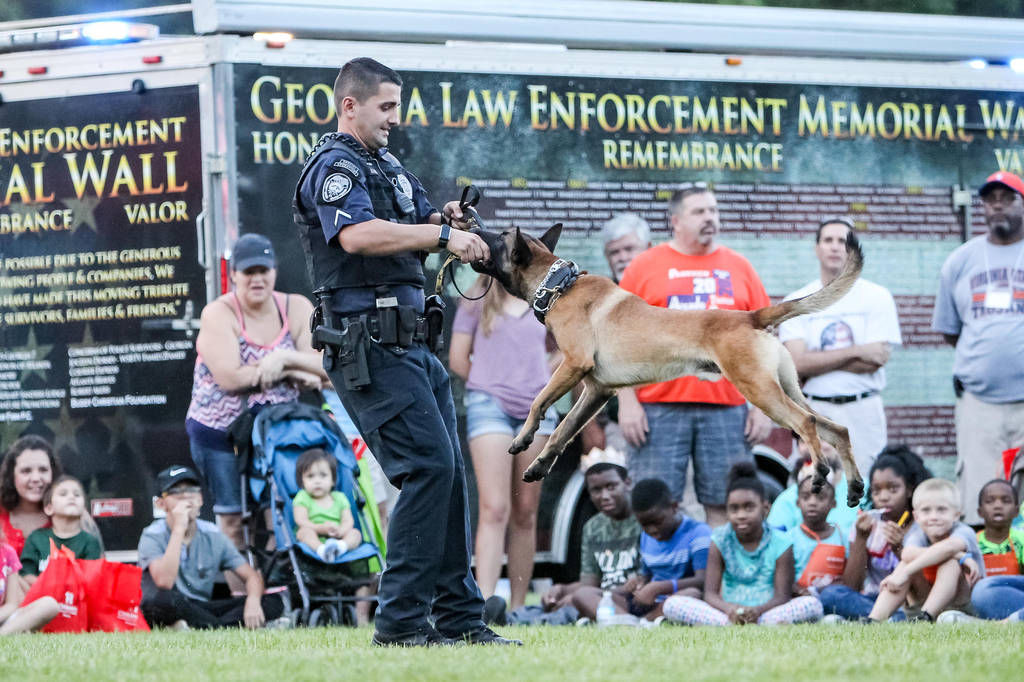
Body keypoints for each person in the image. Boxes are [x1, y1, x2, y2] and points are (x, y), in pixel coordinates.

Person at [293, 57, 509, 647]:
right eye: (386, 106)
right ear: (350, 106)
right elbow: (356, 236)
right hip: (370, 345)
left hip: (413, 344)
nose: (396, 117)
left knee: (449, 477)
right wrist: (442, 237)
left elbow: (420, 214)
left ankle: (463, 622)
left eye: (397, 105)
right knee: (426, 470)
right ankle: (401, 623)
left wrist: (449, 218)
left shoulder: (383, 163)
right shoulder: (333, 166)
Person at [617, 183, 773, 527]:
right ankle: (659, 581)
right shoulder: (644, 267)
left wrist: (762, 408)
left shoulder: (740, 267)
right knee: (654, 506)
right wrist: (626, 403)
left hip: (728, 407)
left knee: (727, 505)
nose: (710, 218)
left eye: (713, 210)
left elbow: (763, 343)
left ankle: (718, 582)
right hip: (656, 406)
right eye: (699, 212)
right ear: (675, 221)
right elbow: (615, 339)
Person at [187, 233, 326, 551]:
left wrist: (286, 361)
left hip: (276, 430)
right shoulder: (218, 313)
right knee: (234, 520)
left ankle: (280, 594)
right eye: (249, 272)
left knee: (281, 513)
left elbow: (325, 371)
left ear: (274, 271)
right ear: (233, 274)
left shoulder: (296, 307)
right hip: (220, 432)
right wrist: (293, 372)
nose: (257, 278)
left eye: (263, 270)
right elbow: (230, 379)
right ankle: (243, 597)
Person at [449, 275, 558, 609]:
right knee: (494, 507)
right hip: (489, 406)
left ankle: (519, 606)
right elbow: (457, 358)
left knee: (526, 511)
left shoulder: (546, 299)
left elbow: (570, 350)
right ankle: (483, 603)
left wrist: (541, 377)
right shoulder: (476, 298)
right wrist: (493, 383)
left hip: (537, 410)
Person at [932, 171, 1024, 525]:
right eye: (990, 199)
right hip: (980, 404)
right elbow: (952, 331)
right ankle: (985, 577)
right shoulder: (960, 261)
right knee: (982, 498)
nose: (998, 204)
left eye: (1008, 197)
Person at [779, 216, 902, 478]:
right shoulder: (796, 301)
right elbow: (797, 363)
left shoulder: (877, 297)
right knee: (817, 487)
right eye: (828, 240)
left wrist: (817, 361)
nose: (835, 247)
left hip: (863, 409)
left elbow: (876, 359)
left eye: (843, 241)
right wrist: (857, 351)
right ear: (817, 249)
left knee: (868, 484)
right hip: (816, 410)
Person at [662, 462, 822, 626]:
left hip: (767, 613)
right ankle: (736, 622)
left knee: (811, 604)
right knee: (672, 605)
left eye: (749, 508)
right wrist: (730, 609)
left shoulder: (782, 542)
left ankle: (754, 622)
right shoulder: (719, 539)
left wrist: (758, 611)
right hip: (727, 614)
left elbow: (782, 596)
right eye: (734, 509)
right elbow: (710, 594)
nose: (741, 515)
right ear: (727, 511)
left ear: (765, 508)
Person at [486, 460, 641, 626]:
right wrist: (562, 589)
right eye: (596, 490)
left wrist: (577, 596)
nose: (604, 496)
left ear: (627, 483)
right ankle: (506, 616)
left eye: (611, 487)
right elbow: (589, 582)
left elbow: (643, 580)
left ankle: (511, 621)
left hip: (627, 598)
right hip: (596, 595)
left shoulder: (642, 521)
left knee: (572, 608)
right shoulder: (594, 527)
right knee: (552, 604)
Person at [138, 466, 286, 630]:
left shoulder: (212, 534)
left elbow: (251, 577)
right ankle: (222, 626)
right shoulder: (152, 535)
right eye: (176, 492)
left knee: (272, 602)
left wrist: (253, 602)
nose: (187, 497)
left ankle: (198, 626)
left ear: (201, 499)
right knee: (160, 601)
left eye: (192, 490)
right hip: (172, 603)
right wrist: (179, 528)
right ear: (161, 503)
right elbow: (164, 582)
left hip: (202, 607)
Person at [818, 445, 931, 621]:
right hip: (872, 599)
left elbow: (924, 594)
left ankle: (886, 618)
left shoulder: (922, 528)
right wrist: (861, 539)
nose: (884, 497)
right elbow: (852, 586)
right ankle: (887, 618)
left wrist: (900, 550)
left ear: (909, 490)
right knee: (830, 595)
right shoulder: (866, 525)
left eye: (893, 489)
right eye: (877, 490)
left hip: (908, 603)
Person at [581, 477, 710, 623]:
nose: (652, 530)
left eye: (658, 522)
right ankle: (628, 622)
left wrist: (659, 588)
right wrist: (639, 583)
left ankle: (639, 622)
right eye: (644, 525)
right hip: (646, 601)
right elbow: (647, 574)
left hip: (674, 599)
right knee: (585, 594)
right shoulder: (646, 537)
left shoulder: (698, 532)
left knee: (691, 594)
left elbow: (703, 580)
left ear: (674, 507)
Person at [867, 478, 984, 622]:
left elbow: (948, 547)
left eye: (941, 510)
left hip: (960, 606)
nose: (933, 517)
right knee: (906, 562)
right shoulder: (918, 534)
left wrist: (906, 572)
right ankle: (874, 619)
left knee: (949, 562)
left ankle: (926, 617)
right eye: (926, 510)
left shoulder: (964, 531)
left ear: (956, 515)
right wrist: (960, 555)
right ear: (916, 516)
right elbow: (907, 553)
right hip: (920, 602)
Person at [938, 480, 1024, 623]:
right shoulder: (972, 542)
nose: (998, 506)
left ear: (1016, 511)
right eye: (990, 501)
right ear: (979, 511)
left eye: (1005, 501)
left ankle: (996, 622)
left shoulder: (1020, 539)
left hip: (1014, 595)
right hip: (983, 599)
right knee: (983, 591)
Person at [19, 476, 103, 585]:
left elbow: (91, 579)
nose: (72, 497)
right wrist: (49, 589)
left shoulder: (90, 542)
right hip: (42, 598)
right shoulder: (36, 538)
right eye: (63, 494)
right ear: (49, 508)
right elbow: (26, 574)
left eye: (77, 495)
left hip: (77, 599)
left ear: (83, 508)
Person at [766, 439, 857, 536]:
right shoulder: (786, 501)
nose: (815, 445)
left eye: (822, 438)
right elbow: (775, 543)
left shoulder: (862, 489)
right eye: (805, 439)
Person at [786, 463, 848, 594]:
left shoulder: (843, 538)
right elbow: (785, 579)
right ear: (798, 502)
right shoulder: (788, 539)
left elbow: (848, 578)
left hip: (833, 599)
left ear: (833, 503)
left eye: (820, 497)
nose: (812, 502)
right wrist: (800, 592)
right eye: (806, 497)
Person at [292, 448, 362, 561]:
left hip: (338, 536)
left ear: (333, 480)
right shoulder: (302, 497)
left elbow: (348, 520)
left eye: (323, 475)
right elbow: (301, 521)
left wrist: (341, 531)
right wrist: (321, 528)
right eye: (310, 476)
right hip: (313, 534)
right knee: (303, 532)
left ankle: (340, 548)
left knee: (355, 533)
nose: (317, 481)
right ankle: (322, 550)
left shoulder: (340, 498)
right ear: (302, 481)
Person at [0, 436, 62, 557]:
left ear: (53, 473)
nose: (35, 478)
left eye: (43, 470)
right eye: (26, 471)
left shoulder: (71, 513)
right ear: (12, 475)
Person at [0, 527, 59, 635]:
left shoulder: (7, 552)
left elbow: (12, 604)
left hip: (3, 617)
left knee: (50, 605)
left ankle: (3, 634)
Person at [601, 213, 651, 284]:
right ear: (607, 256)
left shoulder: (665, 288)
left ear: (648, 249)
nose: (623, 258)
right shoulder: (601, 293)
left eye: (629, 249)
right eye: (614, 252)